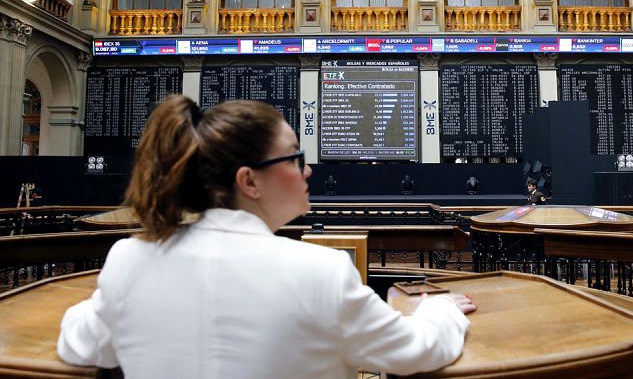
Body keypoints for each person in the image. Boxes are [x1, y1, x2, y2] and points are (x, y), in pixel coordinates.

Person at [57, 95, 476, 379]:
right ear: (249, 181)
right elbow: (419, 350)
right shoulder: (322, 271)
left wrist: (117, 297)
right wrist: (438, 310)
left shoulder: (129, 260)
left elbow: (79, 343)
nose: (307, 170)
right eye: (295, 157)